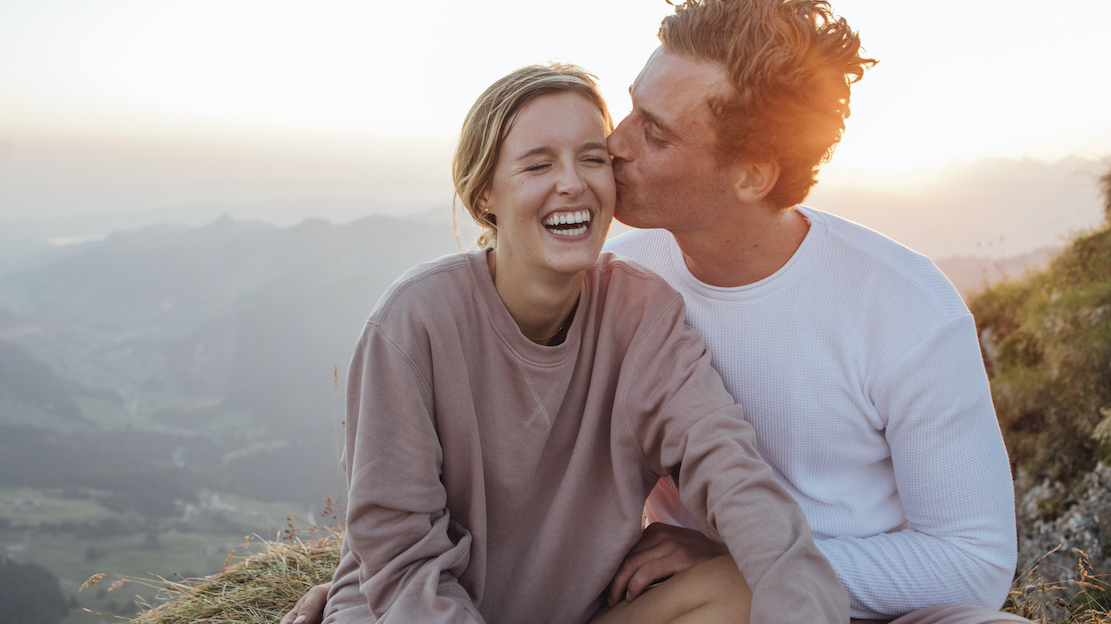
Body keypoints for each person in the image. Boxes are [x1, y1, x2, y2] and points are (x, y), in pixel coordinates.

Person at [295, 63, 847, 624]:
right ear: (485, 191)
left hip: (571, 612)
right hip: (416, 615)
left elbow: (729, 468)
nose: (572, 183)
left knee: (743, 589)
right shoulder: (415, 322)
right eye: (539, 164)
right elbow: (400, 557)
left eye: (592, 158)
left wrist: (802, 600)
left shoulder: (642, 314)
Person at [601, 0, 1026, 624]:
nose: (613, 144)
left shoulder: (904, 306)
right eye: (630, 109)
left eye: (654, 133)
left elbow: (973, 561)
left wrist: (758, 568)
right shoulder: (619, 280)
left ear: (750, 175)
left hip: (869, 607)